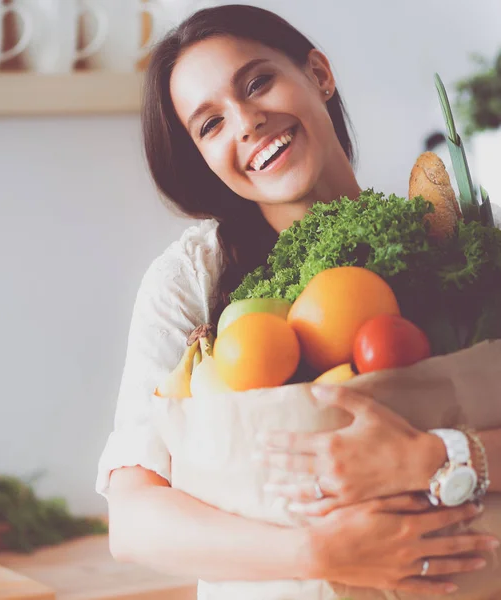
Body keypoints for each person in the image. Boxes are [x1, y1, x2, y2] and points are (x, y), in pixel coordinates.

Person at [96, 4, 501, 597]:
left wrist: (428, 457)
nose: (246, 122)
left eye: (257, 82)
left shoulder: (447, 238)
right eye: (209, 124)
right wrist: (323, 552)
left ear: (319, 73)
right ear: (203, 158)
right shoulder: (191, 278)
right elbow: (132, 522)